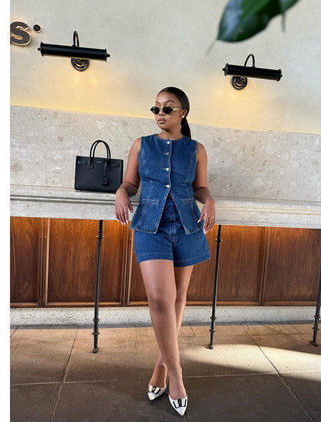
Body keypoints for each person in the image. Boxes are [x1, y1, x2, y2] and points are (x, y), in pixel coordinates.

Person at [115, 86, 215, 416]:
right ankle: (177, 374)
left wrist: (210, 200)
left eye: (168, 108)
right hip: (150, 226)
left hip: (187, 226)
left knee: (178, 297)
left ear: (182, 113)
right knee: (160, 299)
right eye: (156, 108)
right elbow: (130, 183)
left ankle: (160, 365)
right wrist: (120, 192)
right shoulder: (141, 145)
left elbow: (200, 187)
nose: (160, 113)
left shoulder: (196, 149)